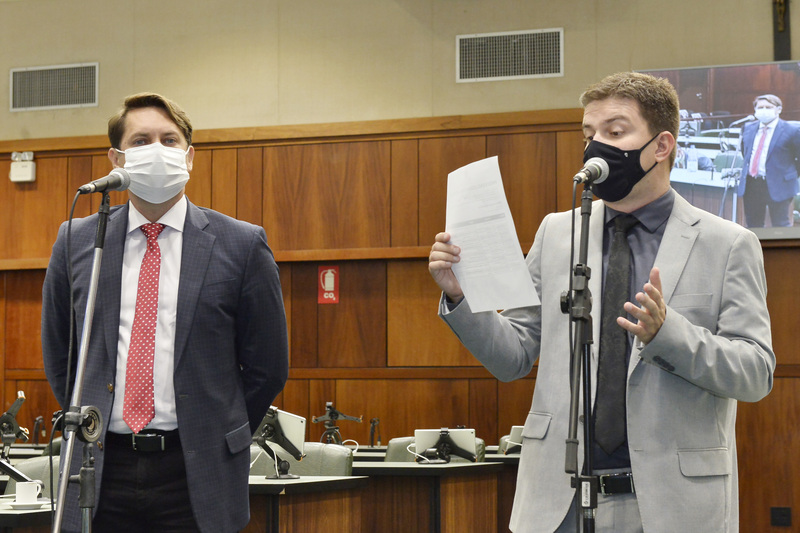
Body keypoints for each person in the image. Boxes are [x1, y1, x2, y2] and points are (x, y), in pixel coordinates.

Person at [429, 72, 775, 532]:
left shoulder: (728, 244)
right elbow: (512, 357)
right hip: (558, 502)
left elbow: (755, 372)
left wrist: (668, 335)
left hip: (671, 507)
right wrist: (460, 294)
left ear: (661, 146)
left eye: (615, 132)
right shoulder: (557, 233)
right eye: (588, 135)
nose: (596, 147)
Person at [41, 93, 289, 533]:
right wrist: (93, 419)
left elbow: (268, 366)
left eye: (169, 140)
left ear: (189, 156)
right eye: (141, 140)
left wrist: (217, 428)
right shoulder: (77, 240)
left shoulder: (242, 244)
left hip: (197, 471)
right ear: (117, 158)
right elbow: (60, 353)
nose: (156, 149)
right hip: (101, 468)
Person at [737, 94, 800, 227]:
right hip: (752, 184)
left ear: (778, 109)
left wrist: (791, 175)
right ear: (755, 110)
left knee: (780, 226)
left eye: (768, 107)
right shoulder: (747, 128)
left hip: (780, 184)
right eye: (760, 107)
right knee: (753, 225)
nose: (764, 110)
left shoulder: (792, 130)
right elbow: (746, 153)